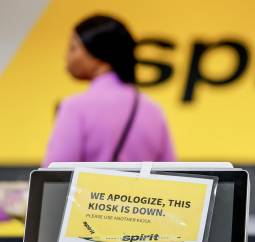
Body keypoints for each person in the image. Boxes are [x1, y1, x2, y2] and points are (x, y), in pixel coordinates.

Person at [43, 15, 176, 166]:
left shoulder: (74, 108)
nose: (66, 56)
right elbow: (169, 173)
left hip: (89, 190)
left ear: (98, 55)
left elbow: (53, 179)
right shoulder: (153, 110)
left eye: (73, 47)